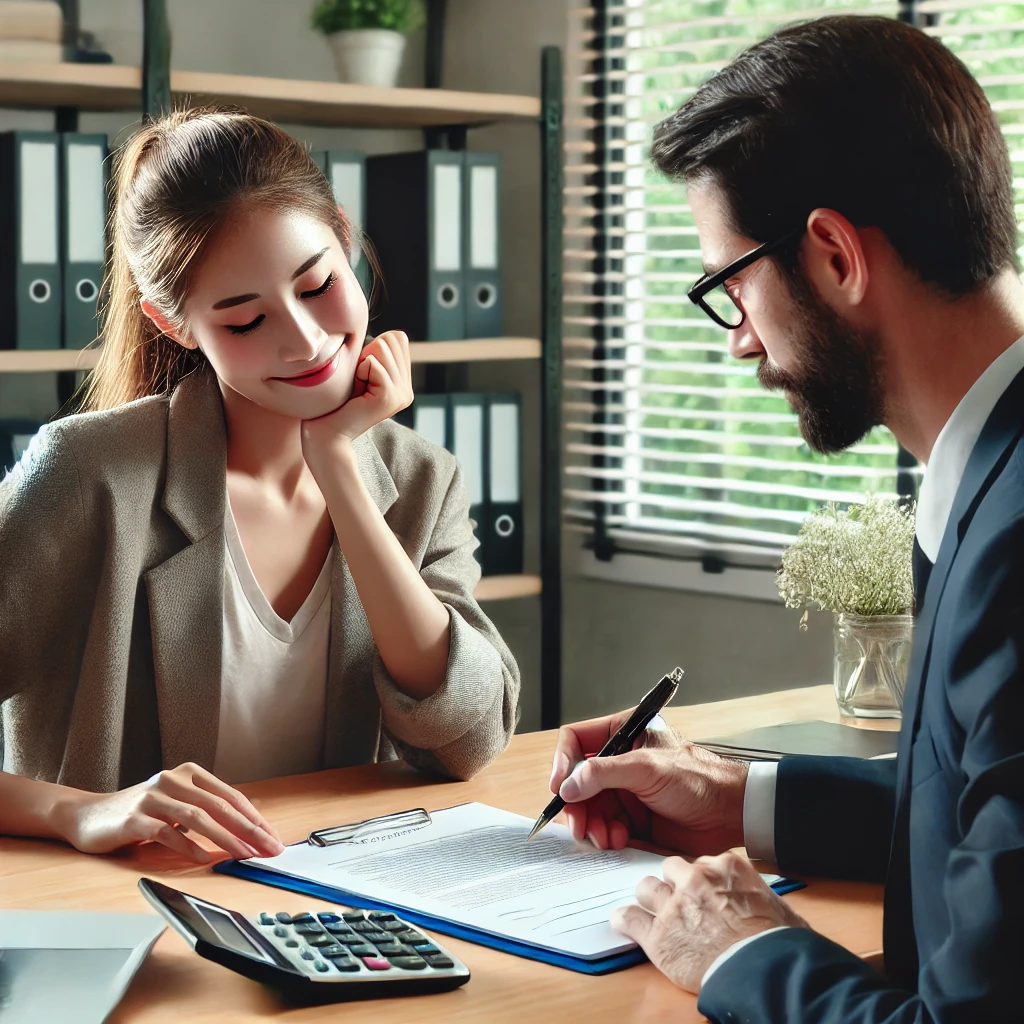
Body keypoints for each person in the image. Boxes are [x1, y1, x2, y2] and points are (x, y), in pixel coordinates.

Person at [550, 15, 1024, 1022]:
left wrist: (738, 948)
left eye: (731, 287)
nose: (736, 345)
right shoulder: (988, 469)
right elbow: (990, 815)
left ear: (835, 255)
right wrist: (734, 797)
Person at [0, 106, 519, 864]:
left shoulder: (418, 479)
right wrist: (79, 812)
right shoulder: (91, 475)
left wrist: (339, 466)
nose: (306, 340)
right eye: (244, 322)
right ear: (175, 325)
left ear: (343, 235)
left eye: (317, 285)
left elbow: (468, 740)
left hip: (346, 909)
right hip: (143, 914)